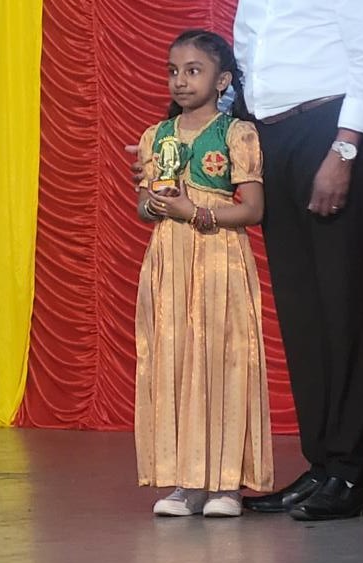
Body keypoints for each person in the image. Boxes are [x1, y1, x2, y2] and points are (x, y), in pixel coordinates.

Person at [233, 0, 363, 521]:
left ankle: (350, 477)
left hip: (332, 133)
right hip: (274, 140)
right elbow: (246, 54)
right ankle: (320, 464)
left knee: (342, 309)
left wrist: (346, 148)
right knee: (301, 314)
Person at [133, 29, 273, 518]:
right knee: (174, 359)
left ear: (222, 80)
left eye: (193, 71)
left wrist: (196, 212)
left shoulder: (237, 134)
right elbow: (144, 208)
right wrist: (155, 203)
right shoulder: (156, 136)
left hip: (219, 258)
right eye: (173, 71)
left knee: (222, 358)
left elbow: (252, 209)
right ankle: (184, 482)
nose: (180, 81)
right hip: (170, 259)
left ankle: (226, 485)